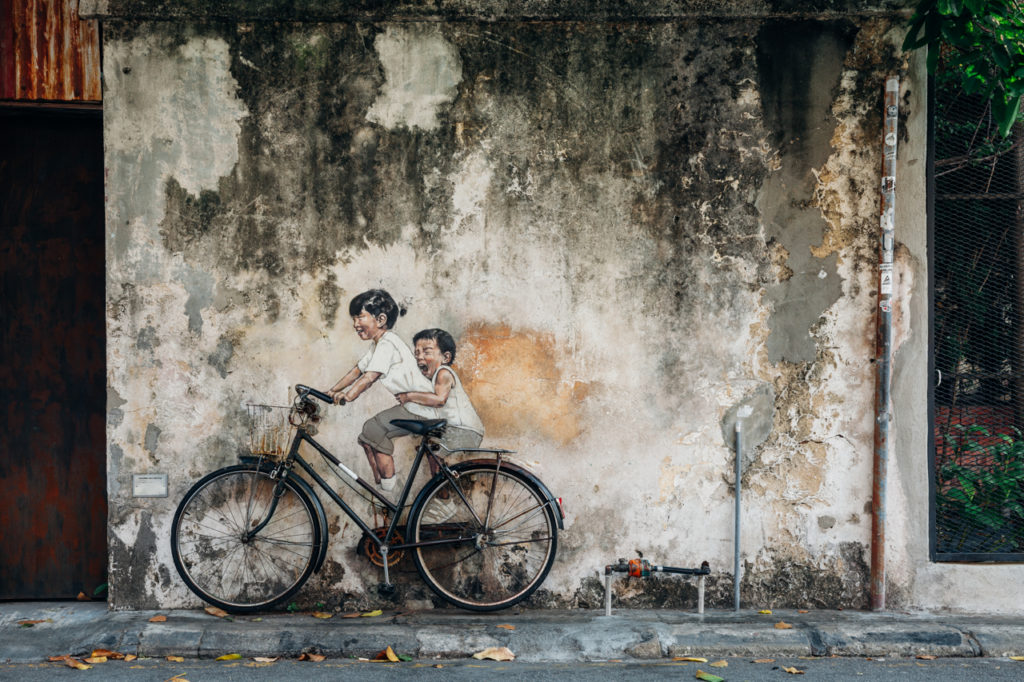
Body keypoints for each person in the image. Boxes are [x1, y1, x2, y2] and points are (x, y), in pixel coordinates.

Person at [326, 289, 436, 492]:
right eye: (354, 318)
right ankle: (381, 487)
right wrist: (330, 391)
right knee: (367, 438)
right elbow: (357, 371)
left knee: (373, 429)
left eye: (360, 316)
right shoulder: (378, 345)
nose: (355, 324)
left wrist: (347, 396)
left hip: (420, 407)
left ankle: (389, 491)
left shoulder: (388, 343)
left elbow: (369, 377)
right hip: (413, 406)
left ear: (381, 319)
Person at [397, 328, 485, 453]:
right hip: (459, 429)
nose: (419, 357)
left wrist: (409, 396)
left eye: (426, 352)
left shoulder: (443, 373)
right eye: (417, 353)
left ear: (445, 357)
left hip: (463, 429)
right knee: (432, 452)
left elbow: (439, 400)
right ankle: (440, 473)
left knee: (434, 451)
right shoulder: (433, 378)